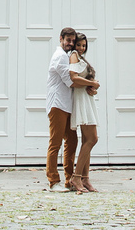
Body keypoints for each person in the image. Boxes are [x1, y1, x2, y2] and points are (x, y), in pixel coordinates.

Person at [68, 31, 101, 193]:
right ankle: (76, 177)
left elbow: (85, 81)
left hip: (87, 98)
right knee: (93, 138)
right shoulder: (74, 55)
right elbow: (73, 77)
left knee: (87, 140)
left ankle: (85, 178)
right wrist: (92, 83)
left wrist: (91, 87)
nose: (81, 48)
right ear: (74, 45)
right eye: (79, 45)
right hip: (81, 100)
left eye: (84, 45)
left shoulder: (81, 58)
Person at [46, 26, 78, 191]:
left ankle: (69, 180)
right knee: (55, 143)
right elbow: (69, 81)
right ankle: (53, 181)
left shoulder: (67, 56)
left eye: (73, 41)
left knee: (72, 141)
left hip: (66, 105)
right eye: (68, 40)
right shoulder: (60, 56)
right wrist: (90, 84)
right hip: (57, 104)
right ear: (61, 39)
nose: (70, 43)